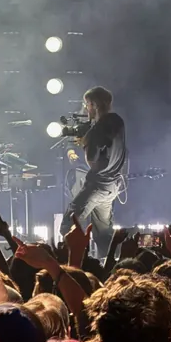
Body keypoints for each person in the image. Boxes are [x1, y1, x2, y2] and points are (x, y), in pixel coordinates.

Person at [59, 86, 127, 256]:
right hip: (111, 187)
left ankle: (74, 265)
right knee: (104, 235)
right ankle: (111, 267)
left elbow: (94, 163)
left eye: (87, 104)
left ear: (94, 105)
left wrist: (85, 142)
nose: (86, 108)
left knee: (68, 225)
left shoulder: (97, 130)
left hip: (97, 185)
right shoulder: (118, 121)